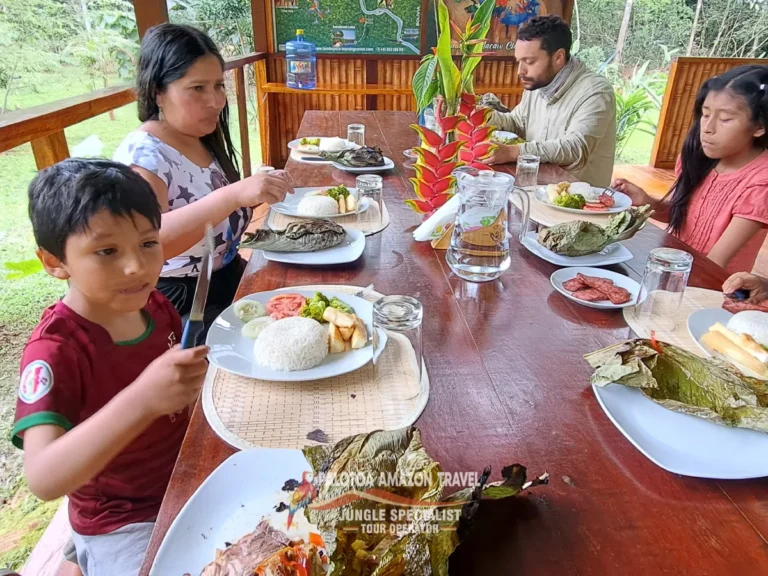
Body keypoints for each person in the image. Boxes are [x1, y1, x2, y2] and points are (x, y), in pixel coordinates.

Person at [12, 159, 209, 576]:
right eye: (107, 251)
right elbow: (43, 477)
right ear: (53, 262)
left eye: (148, 243)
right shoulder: (56, 350)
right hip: (121, 521)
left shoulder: (156, 305)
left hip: (183, 480)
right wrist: (142, 399)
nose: (136, 266)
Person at [114, 24, 292, 336]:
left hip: (224, 279)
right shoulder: (144, 154)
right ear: (158, 91)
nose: (216, 101)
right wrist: (234, 195)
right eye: (197, 89)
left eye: (218, 86)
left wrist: (256, 189)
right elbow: (147, 242)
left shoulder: (197, 137)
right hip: (181, 303)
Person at [613, 65, 768, 274]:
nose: (708, 128)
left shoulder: (761, 183)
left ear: (759, 126)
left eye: (725, 119)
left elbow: (714, 263)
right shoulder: (700, 158)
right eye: (705, 114)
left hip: (710, 286)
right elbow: (680, 215)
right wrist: (648, 201)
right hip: (675, 269)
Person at [483, 15, 616, 187]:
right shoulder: (538, 84)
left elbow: (575, 148)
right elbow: (516, 122)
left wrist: (513, 152)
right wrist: (479, 113)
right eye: (519, 61)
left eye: (529, 62)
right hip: (538, 187)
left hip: (580, 204)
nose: (520, 71)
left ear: (558, 57)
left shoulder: (595, 91)